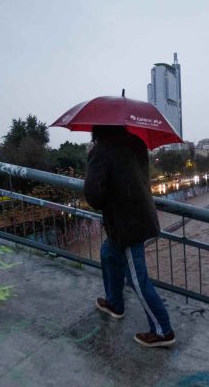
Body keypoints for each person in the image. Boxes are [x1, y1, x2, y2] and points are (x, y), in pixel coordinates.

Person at [84, 125, 175, 347]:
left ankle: (163, 330)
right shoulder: (136, 143)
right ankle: (115, 303)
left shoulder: (101, 151)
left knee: (137, 279)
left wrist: (92, 163)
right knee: (107, 253)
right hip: (140, 216)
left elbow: (94, 197)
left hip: (127, 225)